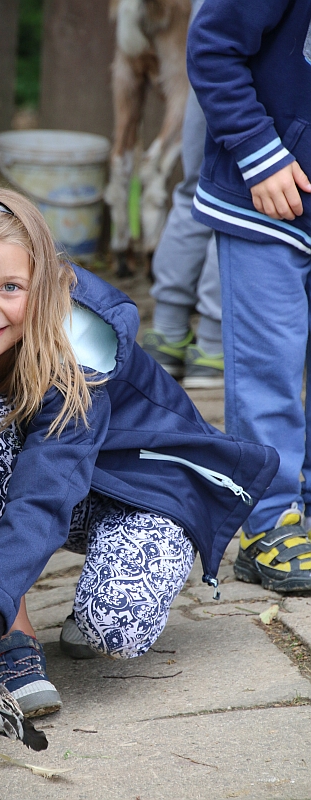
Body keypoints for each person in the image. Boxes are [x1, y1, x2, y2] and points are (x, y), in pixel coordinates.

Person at [0, 179, 278, 718]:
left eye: (11, 288)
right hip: (73, 489)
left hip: (148, 491)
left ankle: (24, 604)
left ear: (42, 285)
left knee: (114, 626)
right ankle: (12, 641)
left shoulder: (79, 358)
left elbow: (44, 492)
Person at [187, 0, 311, 592]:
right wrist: (260, 155)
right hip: (268, 202)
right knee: (270, 369)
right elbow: (212, 48)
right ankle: (269, 524)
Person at [142, 0, 223, 390]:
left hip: (210, 34)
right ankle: (213, 346)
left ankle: (168, 335)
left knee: (196, 189)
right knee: (246, 204)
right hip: (260, 54)